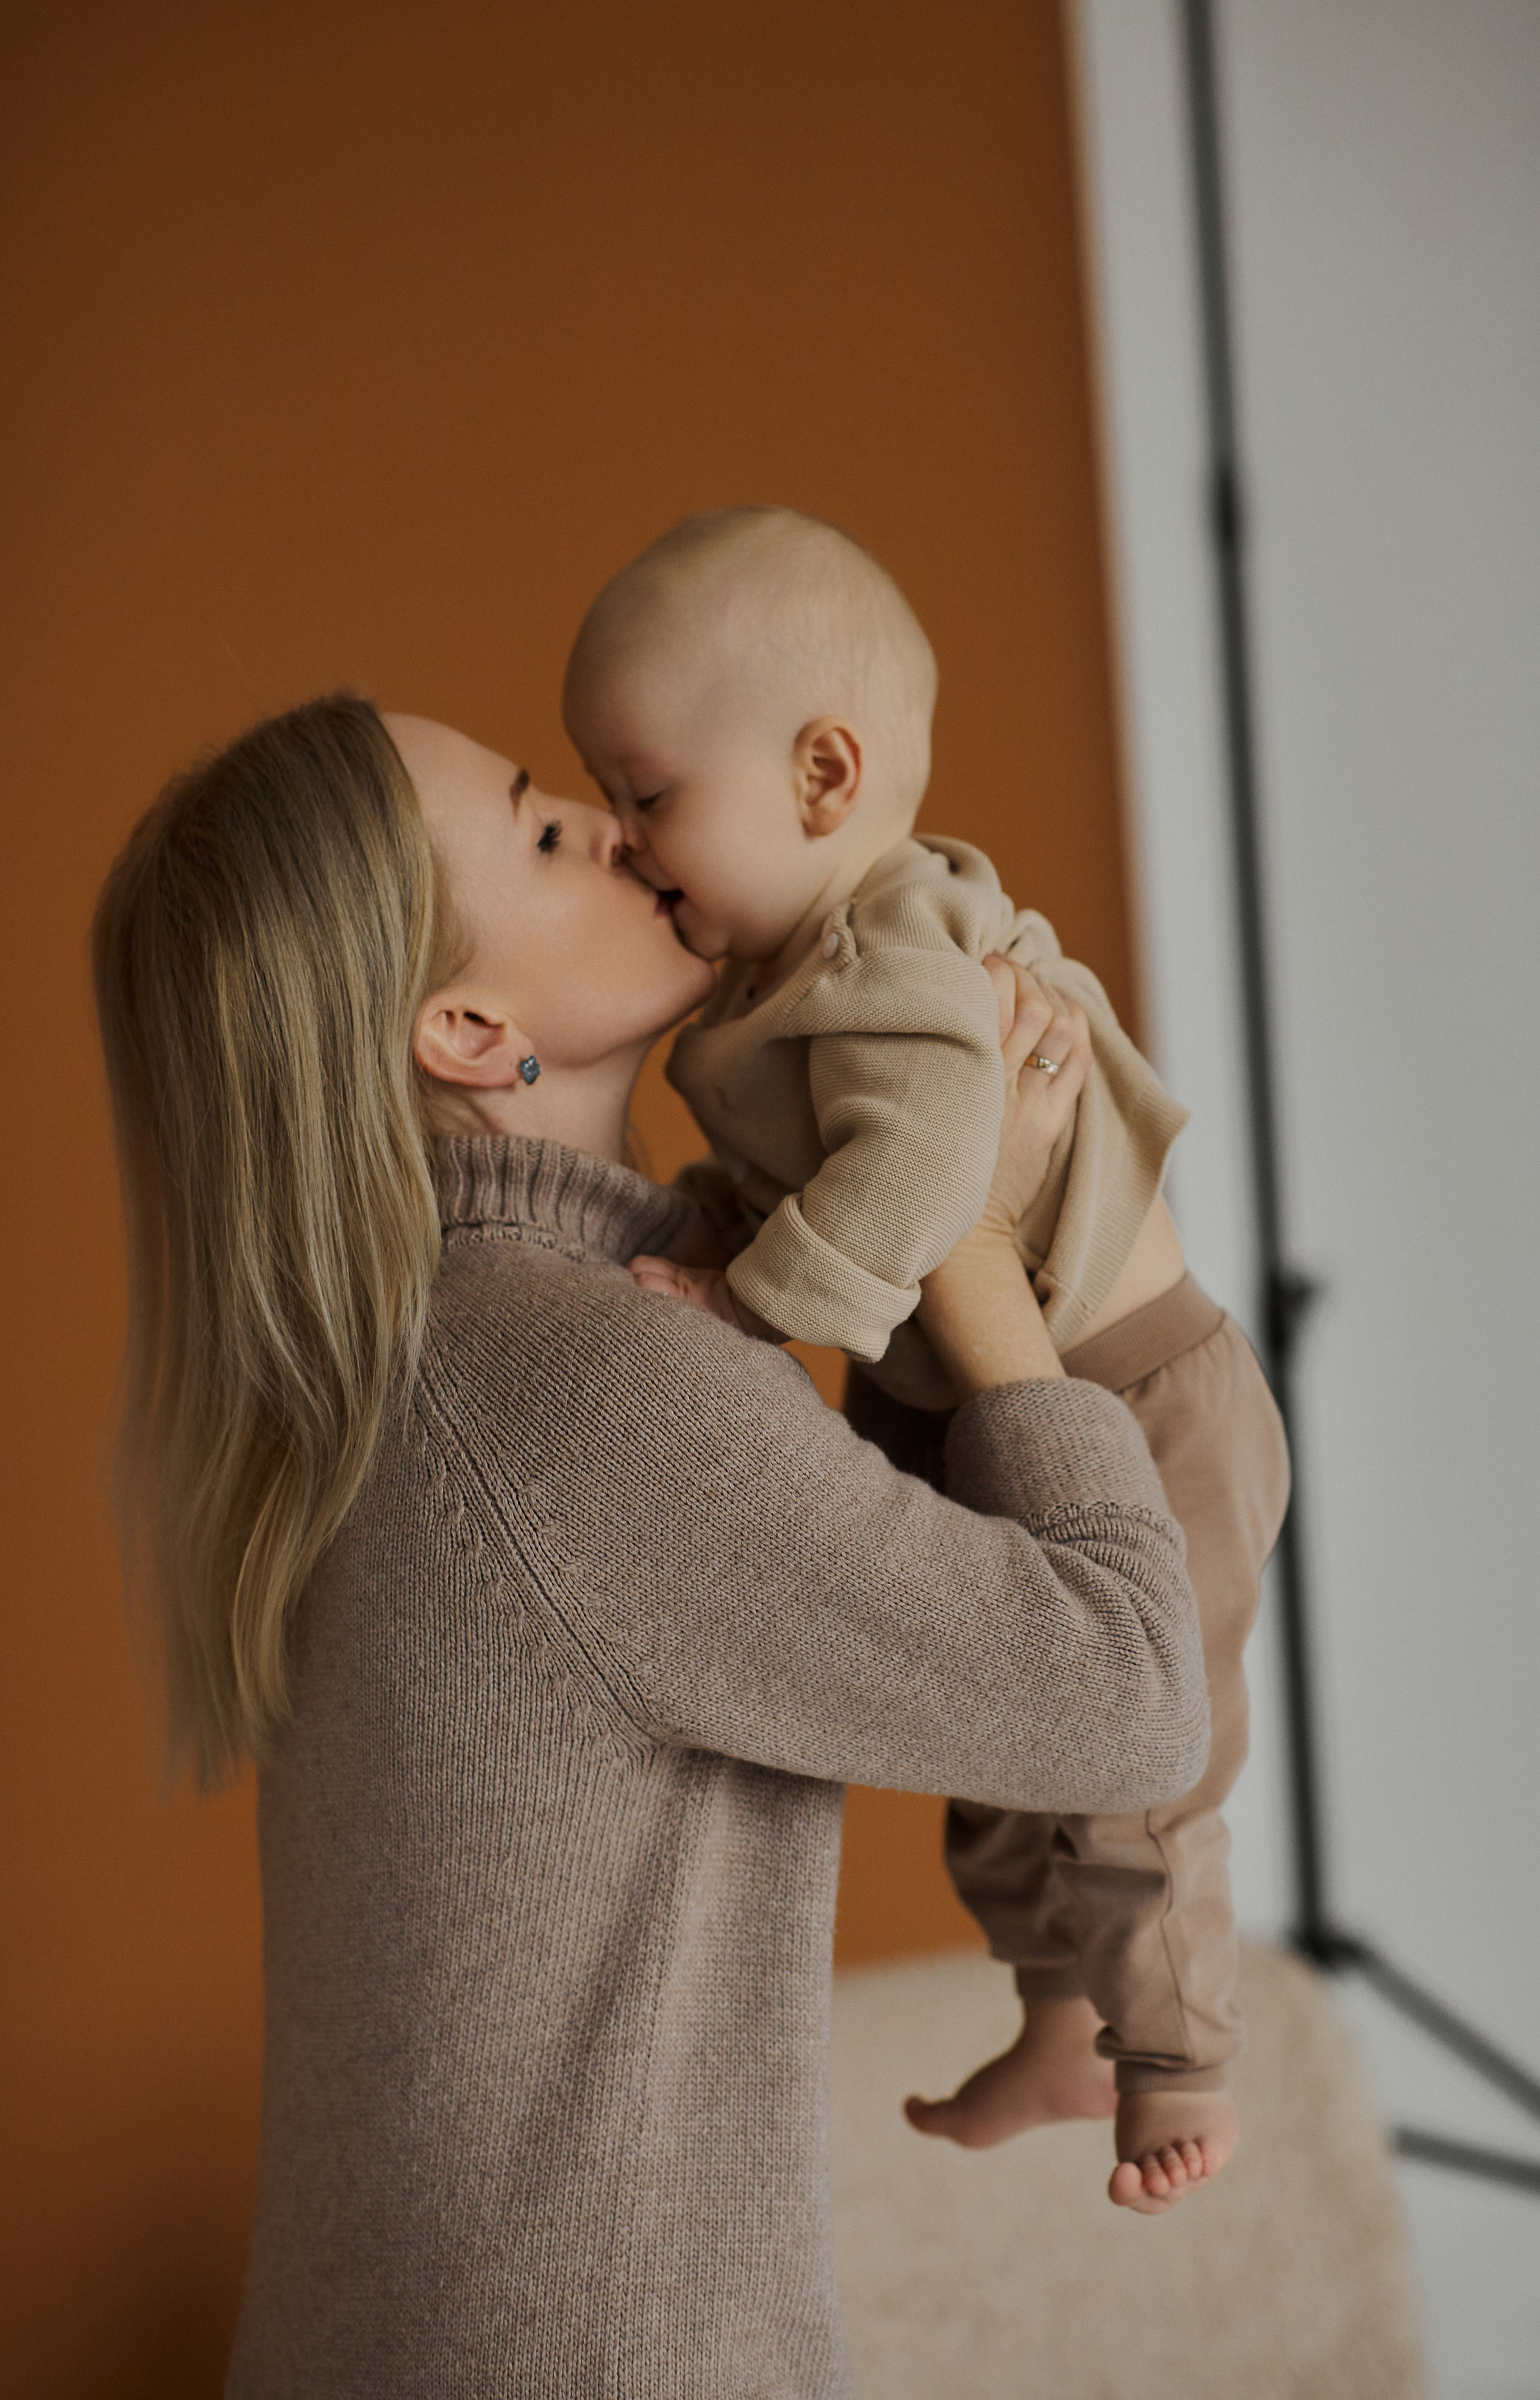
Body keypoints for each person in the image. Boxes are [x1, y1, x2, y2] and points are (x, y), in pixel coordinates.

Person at [91, 692, 1208, 2395]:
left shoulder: (435, 1365)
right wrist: (967, 1228)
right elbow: (1125, 1693)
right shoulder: (571, 1380)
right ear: (467, 1027)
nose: (622, 827)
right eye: (546, 830)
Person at [562, 506, 1289, 2211]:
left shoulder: (893, 935)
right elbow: (786, 1180)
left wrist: (748, 1307)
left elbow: (919, 1166)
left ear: (824, 773)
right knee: (997, 1753)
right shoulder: (774, 968)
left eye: (646, 793)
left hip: (1140, 1405)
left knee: (1138, 1778)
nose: (619, 837)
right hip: (981, 1403)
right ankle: (1056, 2021)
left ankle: (1178, 2064)